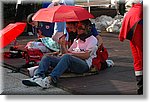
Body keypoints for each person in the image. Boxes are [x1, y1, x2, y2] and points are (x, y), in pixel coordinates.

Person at [22, 21, 98, 88]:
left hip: (84, 64)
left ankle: (50, 79)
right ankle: (38, 76)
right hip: (71, 60)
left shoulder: (92, 40)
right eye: (78, 28)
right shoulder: (77, 40)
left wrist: (72, 54)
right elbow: (67, 52)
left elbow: (86, 55)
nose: (78, 30)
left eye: (81, 28)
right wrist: (63, 45)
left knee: (67, 57)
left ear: (87, 29)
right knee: (47, 57)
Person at [119, 2, 143, 94]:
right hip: (138, 20)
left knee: (137, 57)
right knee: (141, 56)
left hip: (133, 17)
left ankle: (141, 87)